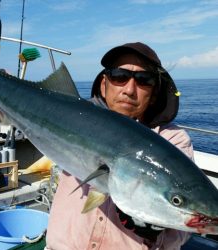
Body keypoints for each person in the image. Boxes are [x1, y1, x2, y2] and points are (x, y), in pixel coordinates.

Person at [45, 42, 194, 250]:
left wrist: (155, 230)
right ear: (104, 86)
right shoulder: (73, 118)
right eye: (119, 76)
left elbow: (182, 229)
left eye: (144, 80)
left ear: (154, 93)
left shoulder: (173, 141)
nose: (130, 90)